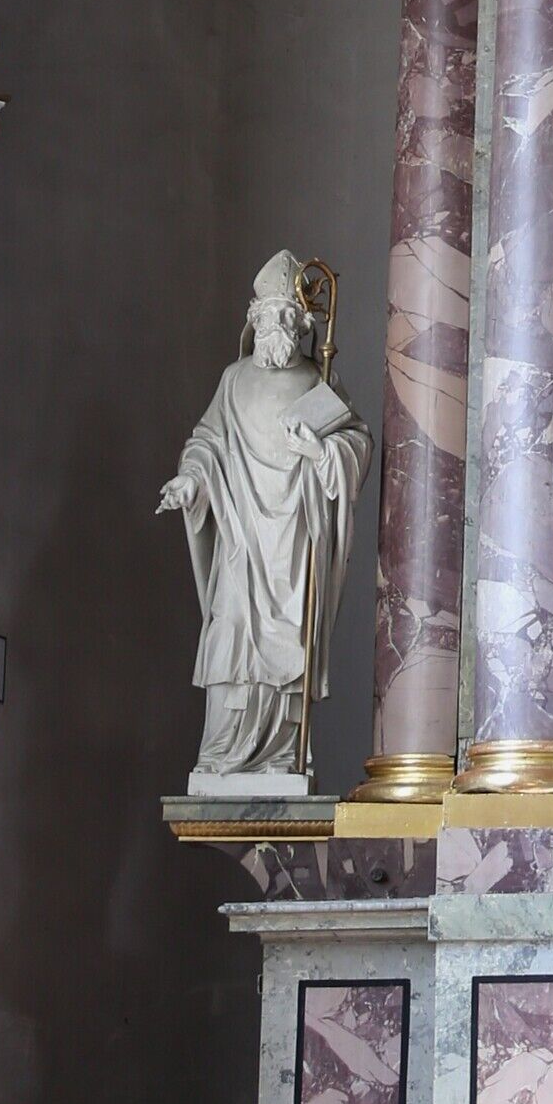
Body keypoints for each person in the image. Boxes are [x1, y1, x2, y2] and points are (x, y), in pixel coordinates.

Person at [159, 250, 372, 789]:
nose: (274, 326)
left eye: (284, 317)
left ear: (301, 325)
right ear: (253, 318)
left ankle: (280, 756)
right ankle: (224, 753)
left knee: (289, 643)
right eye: (266, 315)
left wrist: (320, 453)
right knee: (231, 631)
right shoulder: (232, 381)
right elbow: (208, 441)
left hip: (294, 538)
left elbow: (356, 442)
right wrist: (191, 480)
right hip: (241, 534)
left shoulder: (318, 383)